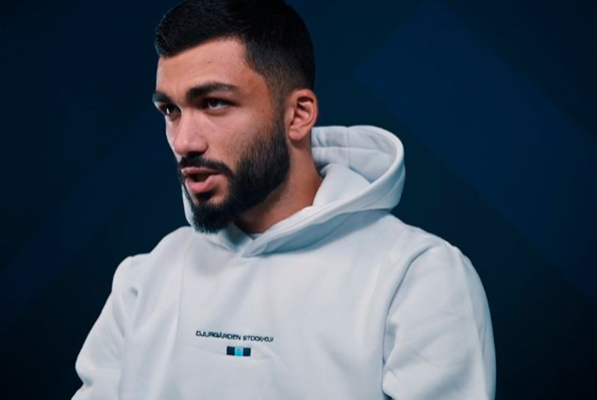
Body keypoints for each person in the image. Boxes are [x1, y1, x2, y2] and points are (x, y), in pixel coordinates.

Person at [72, 0, 496, 399]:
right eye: (171, 111)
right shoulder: (144, 281)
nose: (184, 141)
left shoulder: (415, 277)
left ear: (298, 114)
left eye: (214, 103)